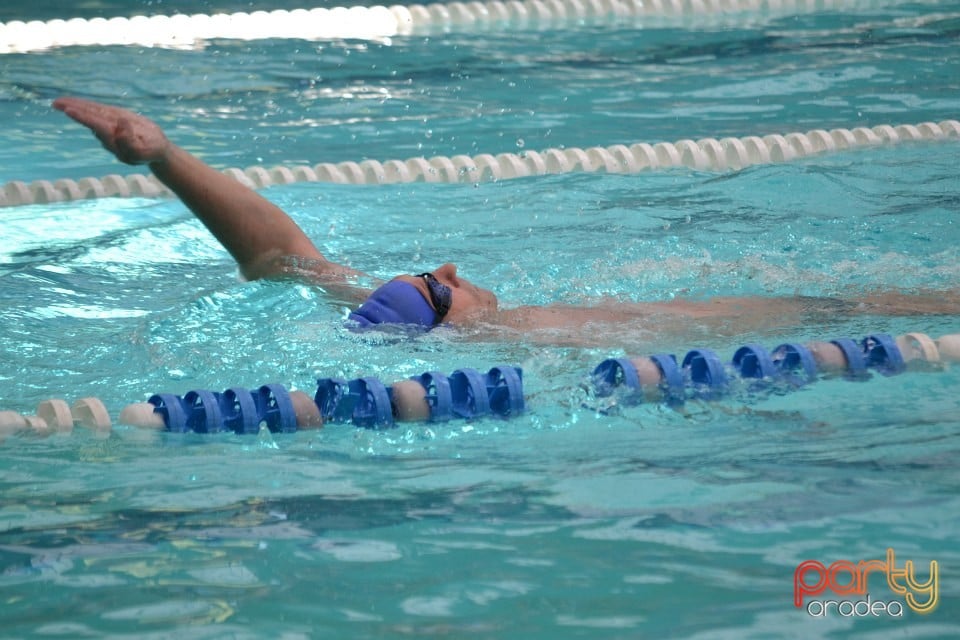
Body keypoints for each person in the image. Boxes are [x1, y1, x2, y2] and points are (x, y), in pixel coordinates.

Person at [52, 97, 960, 348]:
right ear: (453, 318)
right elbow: (815, 315)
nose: (450, 266)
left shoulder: (432, 327)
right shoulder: (534, 339)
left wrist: (165, 159)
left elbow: (277, 254)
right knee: (838, 311)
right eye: (440, 283)